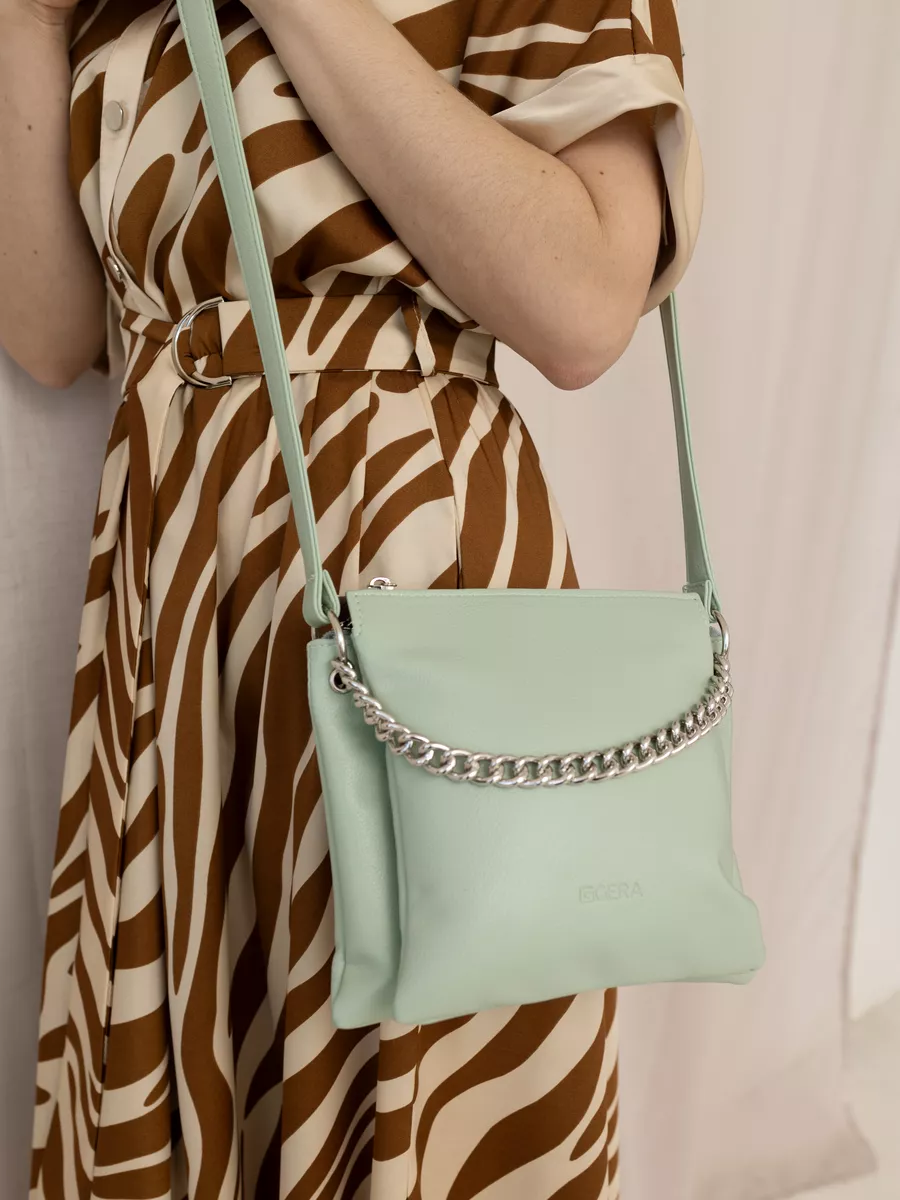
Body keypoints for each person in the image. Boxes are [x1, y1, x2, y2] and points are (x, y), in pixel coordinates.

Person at [1, 0, 702, 1194]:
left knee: (427, 1065)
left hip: (407, 561)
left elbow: (583, 306)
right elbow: (56, 335)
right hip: (180, 583)